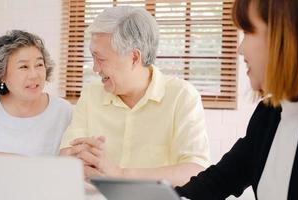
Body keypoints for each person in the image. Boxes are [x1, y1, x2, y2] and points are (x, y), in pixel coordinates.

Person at [175, 0, 298, 199]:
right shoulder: (268, 114)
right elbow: (218, 180)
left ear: (286, 35)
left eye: (248, 32)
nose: (240, 49)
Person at [59, 6, 210, 186]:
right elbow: (66, 157)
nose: (95, 69)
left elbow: (195, 170)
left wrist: (120, 174)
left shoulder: (181, 96)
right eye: (93, 58)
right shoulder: (91, 94)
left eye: (101, 59)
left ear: (134, 58)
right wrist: (77, 156)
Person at [0, 30, 72, 156]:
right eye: (23, 67)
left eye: (39, 64)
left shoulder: (63, 110)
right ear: (2, 74)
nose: (34, 75)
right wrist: (22, 164)